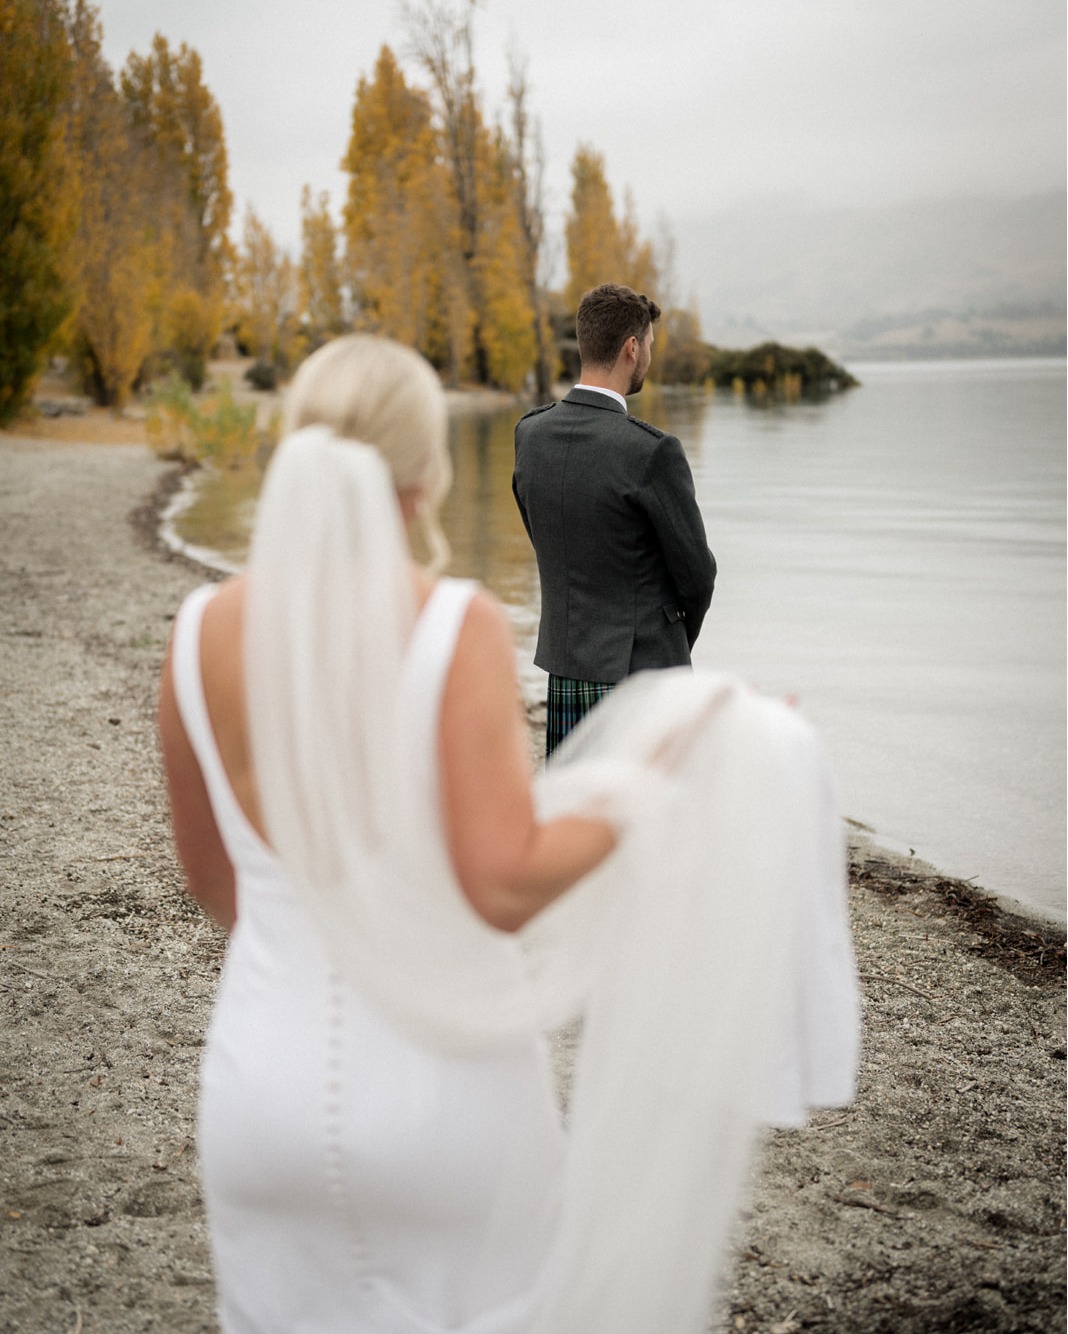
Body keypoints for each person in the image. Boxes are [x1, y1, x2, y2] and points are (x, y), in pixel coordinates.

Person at [158, 333, 859, 1334]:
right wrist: (650, 779)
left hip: (255, 1088)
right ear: (426, 470)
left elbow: (219, 887)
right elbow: (504, 879)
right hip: (437, 1101)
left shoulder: (195, 633)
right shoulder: (451, 624)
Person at [513, 283, 717, 756]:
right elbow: (698, 577)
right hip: (642, 678)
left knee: (572, 813)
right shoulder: (651, 451)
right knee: (645, 823)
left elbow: (544, 540)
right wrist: (669, 645)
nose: (648, 354)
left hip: (567, 671)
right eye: (648, 344)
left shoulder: (530, 434)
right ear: (632, 348)